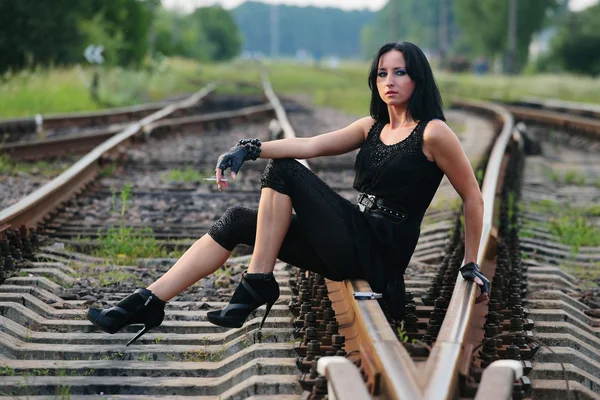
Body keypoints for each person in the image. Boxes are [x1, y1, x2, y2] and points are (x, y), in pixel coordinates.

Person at [87, 41, 490, 346]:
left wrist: (470, 263)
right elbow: (311, 144)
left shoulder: (434, 132)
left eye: (399, 73)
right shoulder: (372, 125)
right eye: (382, 73)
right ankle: (148, 302)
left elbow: (472, 196)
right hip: (352, 237)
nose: (389, 81)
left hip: (382, 247)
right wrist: (248, 149)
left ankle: (257, 281)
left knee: (283, 172)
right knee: (237, 221)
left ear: (418, 77)